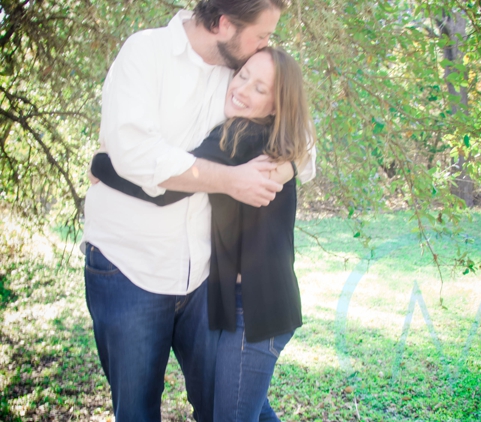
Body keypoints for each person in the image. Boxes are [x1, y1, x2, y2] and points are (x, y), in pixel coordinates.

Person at [81, 1, 315, 421]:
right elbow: (137, 156)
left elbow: (303, 139)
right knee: (136, 412)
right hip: (129, 268)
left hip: (208, 280)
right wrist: (233, 180)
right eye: (261, 34)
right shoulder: (145, 53)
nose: (265, 44)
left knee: (228, 406)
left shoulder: (240, 71)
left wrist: (274, 168)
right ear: (225, 24)